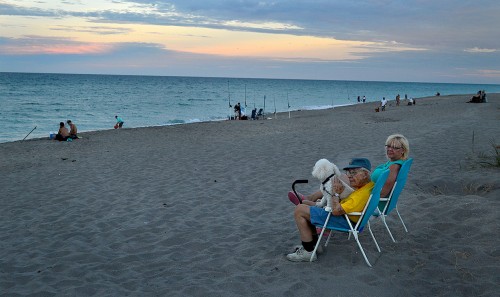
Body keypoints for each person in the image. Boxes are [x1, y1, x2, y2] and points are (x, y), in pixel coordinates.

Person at [286, 158, 374, 262]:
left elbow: (336, 211)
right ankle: (314, 244)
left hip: (345, 221)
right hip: (349, 217)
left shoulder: (361, 195)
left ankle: (308, 251)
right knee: (305, 205)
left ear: (365, 174)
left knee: (299, 210)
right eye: (348, 172)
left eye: (353, 173)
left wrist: (335, 193)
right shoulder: (368, 186)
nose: (349, 176)